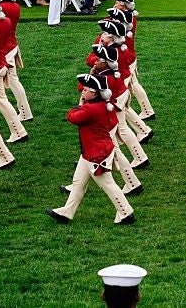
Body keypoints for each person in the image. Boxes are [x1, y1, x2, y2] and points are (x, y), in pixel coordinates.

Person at [47, 73, 136, 225]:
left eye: (86, 90)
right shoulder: (104, 105)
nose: (82, 91)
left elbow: (72, 117)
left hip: (95, 154)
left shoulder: (90, 109)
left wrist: (80, 105)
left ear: (95, 93)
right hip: (93, 151)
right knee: (78, 183)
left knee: (107, 184)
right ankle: (67, 212)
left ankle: (125, 212)